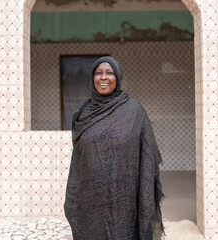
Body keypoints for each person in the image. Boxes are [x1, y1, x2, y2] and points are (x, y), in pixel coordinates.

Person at [64, 56, 164, 240]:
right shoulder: (84, 112)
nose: (103, 77)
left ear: (117, 77)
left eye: (109, 73)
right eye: (98, 73)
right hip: (91, 197)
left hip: (125, 198)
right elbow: (79, 157)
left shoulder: (134, 111)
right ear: (92, 77)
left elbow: (148, 153)